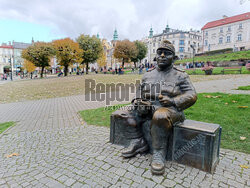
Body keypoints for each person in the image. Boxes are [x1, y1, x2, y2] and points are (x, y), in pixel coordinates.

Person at [114, 40, 197, 175]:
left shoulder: (181, 75)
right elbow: (139, 90)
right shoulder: (148, 74)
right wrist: (138, 102)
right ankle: (138, 141)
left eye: (167, 53)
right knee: (120, 113)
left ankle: (158, 153)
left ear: (174, 58)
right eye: (160, 53)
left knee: (159, 116)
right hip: (146, 108)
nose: (162, 56)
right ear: (155, 57)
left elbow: (192, 95)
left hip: (170, 110)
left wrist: (173, 101)